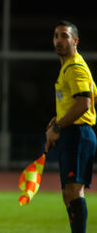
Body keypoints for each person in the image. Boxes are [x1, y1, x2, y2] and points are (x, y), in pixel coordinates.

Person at [45, 20, 97, 233]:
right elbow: (77, 102)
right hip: (71, 133)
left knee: (74, 191)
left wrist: (58, 127)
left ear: (75, 41)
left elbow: (83, 104)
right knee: (68, 193)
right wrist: (58, 120)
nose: (59, 40)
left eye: (64, 36)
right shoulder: (67, 67)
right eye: (56, 36)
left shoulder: (75, 67)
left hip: (78, 134)